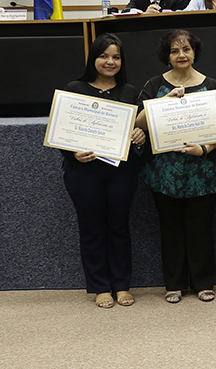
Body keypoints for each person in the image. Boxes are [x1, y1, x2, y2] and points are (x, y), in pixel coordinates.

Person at [135, 30, 216, 303]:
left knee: (201, 228)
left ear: (194, 52)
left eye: (186, 49)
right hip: (164, 173)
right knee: (170, 228)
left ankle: (203, 282)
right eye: (175, 51)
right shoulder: (154, 86)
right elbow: (138, 124)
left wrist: (204, 149)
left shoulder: (211, 85)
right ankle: (174, 284)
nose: (181, 55)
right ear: (167, 56)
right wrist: (160, 104)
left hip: (203, 170)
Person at [61, 33, 146, 308]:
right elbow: (61, 134)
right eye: (104, 56)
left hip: (121, 171)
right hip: (83, 172)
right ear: (93, 58)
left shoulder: (131, 92)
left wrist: (139, 135)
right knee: (92, 228)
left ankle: (121, 285)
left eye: (116, 57)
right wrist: (72, 151)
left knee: (119, 227)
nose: (110, 62)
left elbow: (140, 128)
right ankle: (100, 287)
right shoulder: (74, 89)